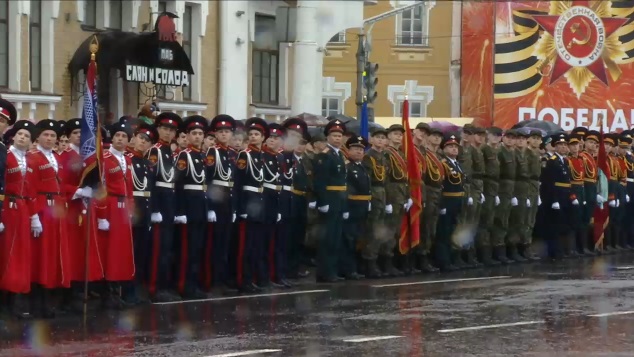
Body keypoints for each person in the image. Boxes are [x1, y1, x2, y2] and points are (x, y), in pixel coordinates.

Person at [29, 119, 72, 317]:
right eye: (46, 134)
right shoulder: (33, 157)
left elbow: (61, 186)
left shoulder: (55, 157)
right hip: (42, 208)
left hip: (56, 208)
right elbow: (30, 188)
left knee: (54, 253)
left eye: (53, 136)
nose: (49, 138)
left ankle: (50, 298)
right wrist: (34, 215)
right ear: (38, 137)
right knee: (41, 255)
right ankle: (38, 302)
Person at [0, 120, 36, 317]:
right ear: (13, 136)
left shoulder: (29, 160)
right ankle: (6, 300)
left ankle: (17, 297)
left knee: (21, 252)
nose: (23, 137)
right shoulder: (6, 155)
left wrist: (34, 215)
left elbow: (31, 189)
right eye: (20, 134)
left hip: (22, 208)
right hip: (8, 206)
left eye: (27, 136)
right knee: (8, 253)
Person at [146, 112, 182, 302]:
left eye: (171, 130)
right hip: (160, 201)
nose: (168, 133)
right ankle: (154, 287)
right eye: (165, 129)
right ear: (158, 129)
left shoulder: (171, 152)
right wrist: (154, 209)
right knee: (158, 247)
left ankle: (164, 284)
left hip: (170, 202)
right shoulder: (156, 151)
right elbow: (152, 181)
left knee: (167, 247)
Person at [173, 116, 208, 299]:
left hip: (200, 207)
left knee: (197, 249)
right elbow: (178, 185)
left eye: (200, 133)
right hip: (188, 207)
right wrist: (180, 212)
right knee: (186, 250)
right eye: (193, 133)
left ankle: (194, 284)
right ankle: (184, 285)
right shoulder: (184, 156)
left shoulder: (202, 156)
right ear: (187, 136)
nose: (197, 136)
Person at [123, 123, 158, 305]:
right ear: (134, 138)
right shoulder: (126, 159)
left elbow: (151, 190)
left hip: (145, 211)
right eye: (141, 138)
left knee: (142, 253)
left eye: (147, 141)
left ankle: (137, 290)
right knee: (130, 253)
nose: (143, 143)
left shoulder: (148, 164)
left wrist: (152, 212)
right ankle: (127, 292)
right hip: (132, 211)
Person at [234, 117, 269, 293]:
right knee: (245, 247)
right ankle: (243, 280)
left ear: (263, 138)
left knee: (256, 245)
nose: (254, 137)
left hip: (259, 204)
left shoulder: (261, 156)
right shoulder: (244, 155)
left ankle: (253, 278)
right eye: (252, 134)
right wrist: (241, 209)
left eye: (257, 134)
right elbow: (238, 184)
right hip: (248, 204)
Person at [203, 115, 236, 291]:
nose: (224, 135)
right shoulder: (212, 153)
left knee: (225, 242)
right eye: (221, 132)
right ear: (216, 134)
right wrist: (209, 207)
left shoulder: (232, 153)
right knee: (215, 242)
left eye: (227, 132)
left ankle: (222, 277)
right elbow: (207, 181)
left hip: (229, 201)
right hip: (217, 201)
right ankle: (213, 280)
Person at [313, 120, 348, 283]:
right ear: (328, 137)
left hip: (339, 200)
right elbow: (320, 180)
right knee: (327, 238)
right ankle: (325, 271)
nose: (337, 138)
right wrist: (323, 201)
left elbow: (343, 182)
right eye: (334, 135)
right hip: (330, 199)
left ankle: (332, 270)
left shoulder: (339, 155)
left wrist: (345, 205)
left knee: (336, 237)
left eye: (340, 136)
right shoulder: (324, 155)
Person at [283, 118, 312, 280]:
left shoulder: (303, 160)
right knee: (287, 237)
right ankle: (286, 268)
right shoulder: (283, 156)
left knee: (298, 236)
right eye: (292, 135)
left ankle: (294, 267)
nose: (298, 143)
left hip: (301, 200)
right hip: (289, 199)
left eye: (301, 140)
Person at [542, 133, 579, 259]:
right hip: (556, 195)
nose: (563, 147)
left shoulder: (565, 161)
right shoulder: (552, 162)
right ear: (555, 147)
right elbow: (549, 182)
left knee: (564, 223)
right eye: (560, 145)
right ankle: (555, 252)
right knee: (554, 225)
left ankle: (563, 250)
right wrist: (554, 200)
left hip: (565, 195)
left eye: (565, 144)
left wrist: (573, 196)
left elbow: (569, 181)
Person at [361, 128, 390, 278]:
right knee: (372, 230)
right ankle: (369, 263)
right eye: (377, 137)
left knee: (379, 229)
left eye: (383, 138)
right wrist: (369, 198)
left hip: (382, 194)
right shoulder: (368, 157)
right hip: (374, 194)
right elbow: (367, 180)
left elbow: (386, 180)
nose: (380, 140)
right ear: (371, 140)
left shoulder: (383, 157)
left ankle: (375, 260)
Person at [341, 135, 371, 280]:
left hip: (362, 207)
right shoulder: (347, 167)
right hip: (351, 207)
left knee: (359, 239)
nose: (359, 152)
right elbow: (345, 190)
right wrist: (345, 208)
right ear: (349, 150)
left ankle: (358, 267)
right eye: (355, 148)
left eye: (361, 149)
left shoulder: (363, 167)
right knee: (349, 240)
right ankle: (348, 269)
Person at [383, 124, 411, 276]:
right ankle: (386, 262)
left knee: (397, 231)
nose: (398, 137)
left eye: (400, 135)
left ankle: (393, 261)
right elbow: (386, 178)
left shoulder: (401, 153)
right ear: (389, 136)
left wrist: (407, 196)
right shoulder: (387, 154)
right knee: (390, 230)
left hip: (401, 194)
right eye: (395, 134)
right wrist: (387, 200)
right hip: (393, 194)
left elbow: (405, 178)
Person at [436, 133, 466, 271]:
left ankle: (452, 258)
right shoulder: (443, 164)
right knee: (444, 231)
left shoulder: (457, 164)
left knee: (453, 230)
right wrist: (441, 204)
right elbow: (440, 184)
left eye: (456, 147)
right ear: (444, 149)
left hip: (457, 200)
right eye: (450, 146)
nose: (454, 149)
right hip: (447, 200)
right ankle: (444, 261)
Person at [261, 123, 285, 288]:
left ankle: (276, 274)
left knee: (277, 242)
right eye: (270, 137)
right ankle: (263, 276)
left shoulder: (280, 157)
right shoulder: (261, 156)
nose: (272, 140)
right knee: (264, 242)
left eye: (276, 138)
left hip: (278, 200)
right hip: (264, 201)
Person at [492, 129, 518, 264]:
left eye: (513, 138)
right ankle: (498, 250)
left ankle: (507, 249)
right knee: (500, 220)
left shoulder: (512, 153)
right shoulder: (500, 152)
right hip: (501, 188)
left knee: (509, 219)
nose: (510, 140)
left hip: (511, 188)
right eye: (508, 137)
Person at [479, 127, 502, 265]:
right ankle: (484, 253)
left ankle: (491, 252)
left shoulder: (496, 151)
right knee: (485, 221)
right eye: (493, 135)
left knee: (493, 220)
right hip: (486, 185)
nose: (496, 138)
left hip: (495, 186)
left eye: (498, 135)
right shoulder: (484, 150)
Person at [508, 130, 529, 262]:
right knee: (512, 221)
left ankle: (519, 248)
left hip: (523, 188)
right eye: (517, 138)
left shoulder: (524, 154)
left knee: (521, 220)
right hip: (512, 188)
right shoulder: (512, 153)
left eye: (522, 139)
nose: (519, 141)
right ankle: (511, 250)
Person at [522, 129, 543, 260]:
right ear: (528, 139)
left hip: (535, 185)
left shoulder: (536, 154)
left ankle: (527, 245)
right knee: (525, 218)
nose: (536, 140)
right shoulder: (526, 153)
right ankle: (524, 247)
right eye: (533, 138)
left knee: (531, 219)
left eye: (538, 138)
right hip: (527, 185)